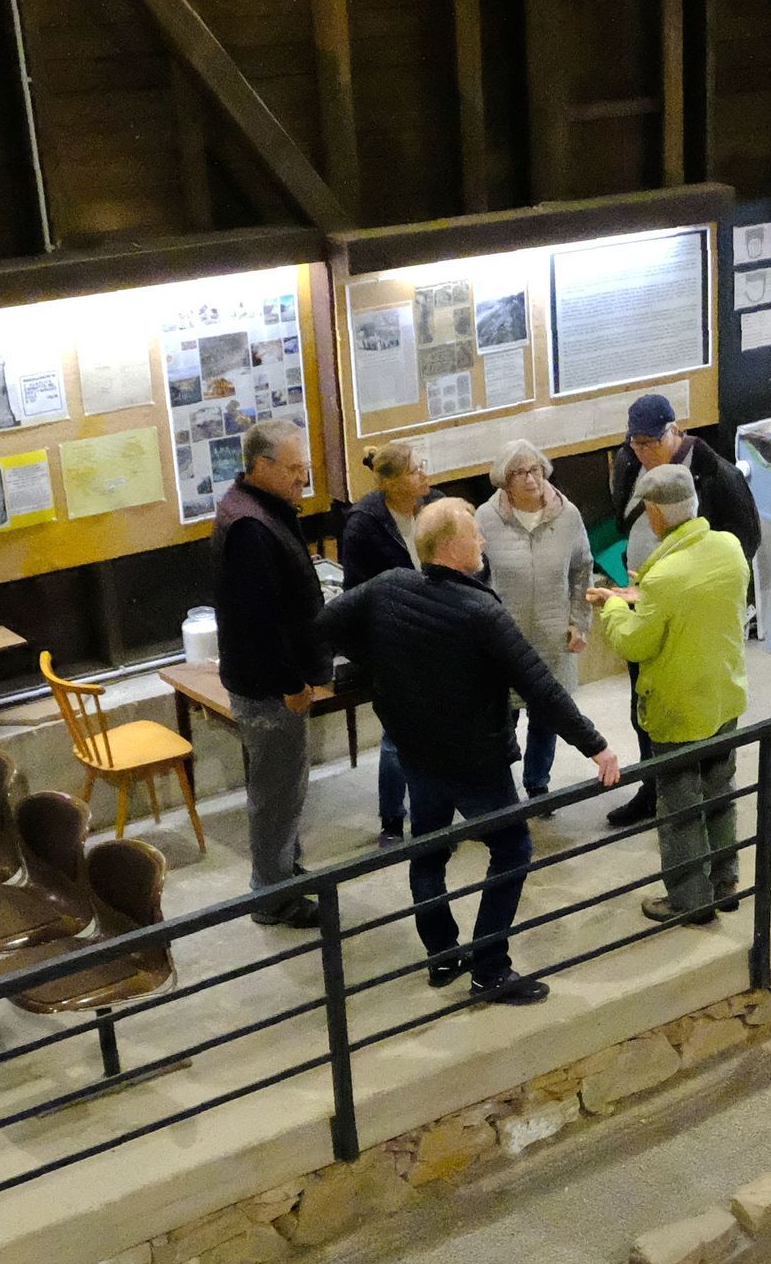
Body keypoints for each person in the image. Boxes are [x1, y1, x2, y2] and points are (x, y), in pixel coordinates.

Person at [316, 498, 617, 1004]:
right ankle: (490, 968)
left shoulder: (390, 586)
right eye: (475, 535)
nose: (482, 542)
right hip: (476, 762)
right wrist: (597, 746)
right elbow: (539, 685)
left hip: (417, 752)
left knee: (428, 851)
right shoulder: (481, 611)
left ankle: (442, 957)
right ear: (453, 547)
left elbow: (325, 625)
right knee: (513, 848)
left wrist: (379, 666)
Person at [597, 393, 763, 831]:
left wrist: (696, 587)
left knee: (704, 705)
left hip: (696, 611)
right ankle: (656, 789)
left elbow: (746, 540)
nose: (642, 452)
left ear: (677, 430)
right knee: (644, 701)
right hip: (648, 597)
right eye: (635, 444)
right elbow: (623, 518)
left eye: (651, 442)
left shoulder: (718, 476)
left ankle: (700, 800)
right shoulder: (628, 461)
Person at [595, 463, 750, 927]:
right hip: (724, 694)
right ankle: (727, 884)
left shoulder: (664, 578)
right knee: (720, 791)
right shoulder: (728, 549)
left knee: (680, 806)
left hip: (679, 709)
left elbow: (634, 643)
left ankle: (689, 900)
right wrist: (647, 594)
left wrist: (614, 606)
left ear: (656, 514)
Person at [209, 415, 328, 929]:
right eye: (295, 469)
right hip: (270, 688)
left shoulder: (257, 508)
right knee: (277, 791)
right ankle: (274, 897)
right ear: (261, 466)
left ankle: (283, 874)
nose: (303, 479)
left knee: (284, 787)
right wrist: (293, 684)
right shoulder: (251, 527)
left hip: (269, 681)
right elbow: (260, 620)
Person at [474, 440, 607, 802]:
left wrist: (580, 621)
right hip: (504, 642)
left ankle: (537, 785)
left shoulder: (568, 516)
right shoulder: (485, 519)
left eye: (535, 469)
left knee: (547, 716)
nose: (530, 479)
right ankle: (499, 791)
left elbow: (583, 570)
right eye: (519, 472)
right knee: (502, 720)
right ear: (504, 480)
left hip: (552, 637)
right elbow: (474, 577)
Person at [340, 442, 428, 845]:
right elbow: (358, 593)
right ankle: (392, 821)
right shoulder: (364, 523)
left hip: (435, 634)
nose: (424, 476)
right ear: (389, 483)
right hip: (392, 644)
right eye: (414, 471)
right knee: (396, 737)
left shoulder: (434, 507)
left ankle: (433, 816)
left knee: (437, 733)